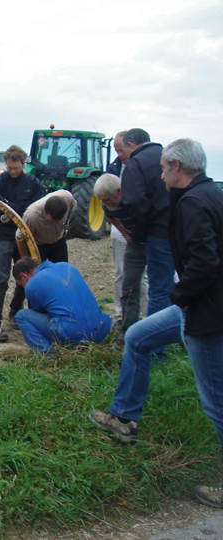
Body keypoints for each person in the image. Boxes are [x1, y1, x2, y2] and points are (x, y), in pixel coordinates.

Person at [161, 138, 223, 508]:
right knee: (139, 337)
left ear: (176, 166)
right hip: (209, 304)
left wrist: (180, 296)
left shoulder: (194, 204)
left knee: (215, 400)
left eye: (164, 167)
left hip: (205, 311)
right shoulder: (214, 193)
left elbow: (205, 262)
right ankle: (126, 415)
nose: (160, 172)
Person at [89, 304, 183, 442]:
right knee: (137, 337)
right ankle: (124, 417)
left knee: (214, 396)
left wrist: (183, 295)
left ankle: (124, 417)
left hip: (205, 309)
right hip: (203, 304)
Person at [0, 145, 45, 342]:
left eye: (16, 168)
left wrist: (11, 207)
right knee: (1, 278)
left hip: (25, 236)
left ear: (23, 164)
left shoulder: (33, 183)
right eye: (9, 168)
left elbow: (36, 207)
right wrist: (17, 207)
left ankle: (15, 313)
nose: (12, 171)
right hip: (3, 236)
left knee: (25, 277)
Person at [120, 128, 175, 329]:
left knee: (134, 286)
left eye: (122, 151)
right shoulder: (168, 158)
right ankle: (168, 334)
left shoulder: (136, 163)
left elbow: (134, 201)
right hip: (169, 232)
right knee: (162, 286)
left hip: (148, 234)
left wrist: (137, 230)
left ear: (131, 145)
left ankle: (144, 338)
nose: (122, 157)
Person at [11, 256, 111, 354]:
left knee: (22, 316)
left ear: (23, 276)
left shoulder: (32, 284)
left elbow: (38, 312)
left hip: (74, 334)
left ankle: (46, 355)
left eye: (21, 284)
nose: (24, 287)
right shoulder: (66, 266)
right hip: (101, 330)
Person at [93, 173, 148, 327]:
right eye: (102, 200)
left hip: (143, 236)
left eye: (107, 199)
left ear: (119, 192)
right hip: (127, 234)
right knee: (121, 273)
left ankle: (146, 315)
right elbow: (111, 218)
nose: (104, 203)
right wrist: (125, 234)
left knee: (143, 277)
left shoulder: (134, 201)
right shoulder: (106, 203)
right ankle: (122, 315)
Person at [15, 189, 76, 262]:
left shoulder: (68, 198)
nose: (55, 223)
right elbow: (20, 238)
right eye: (53, 221)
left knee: (62, 269)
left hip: (58, 240)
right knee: (41, 271)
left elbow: (71, 211)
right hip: (39, 246)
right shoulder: (31, 216)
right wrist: (25, 259)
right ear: (46, 212)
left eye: (59, 220)